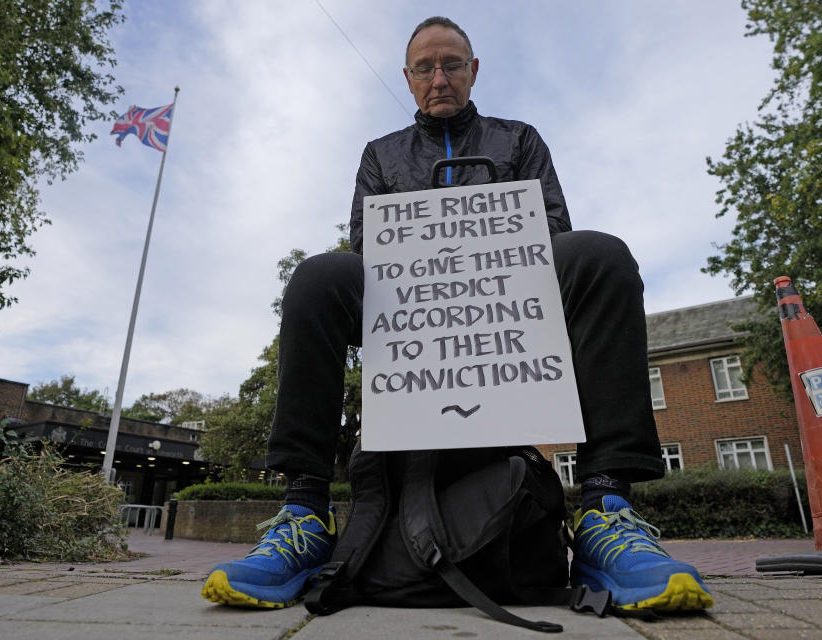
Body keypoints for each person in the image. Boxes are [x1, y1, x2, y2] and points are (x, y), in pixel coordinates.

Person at [202, 16, 713, 614]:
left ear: (474, 71)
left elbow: (551, 228)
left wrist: (474, 248)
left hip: (510, 288)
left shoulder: (518, 138)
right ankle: (304, 513)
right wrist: (433, 253)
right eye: (425, 67)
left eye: (452, 65)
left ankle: (605, 510)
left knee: (599, 255)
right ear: (409, 77)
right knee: (319, 276)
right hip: (408, 300)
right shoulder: (381, 154)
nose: (439, 78)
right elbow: (368, 242)